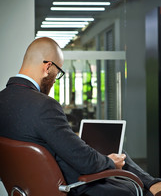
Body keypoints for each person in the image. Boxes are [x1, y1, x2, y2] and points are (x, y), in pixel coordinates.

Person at [0, 37, 161, 196]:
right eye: (58, 72)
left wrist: (73, 139)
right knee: (135, 187)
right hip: (75, 187)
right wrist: (111, 163)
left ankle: (153, 183)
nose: (56, 79)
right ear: (48, 67)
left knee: (111, 148)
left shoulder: (3, 99)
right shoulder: (44, 105)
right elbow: (87, 163)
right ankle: (152, 186)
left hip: (29, 187)